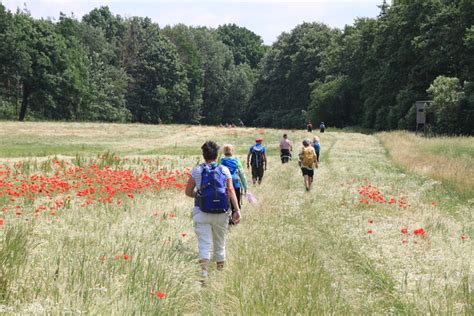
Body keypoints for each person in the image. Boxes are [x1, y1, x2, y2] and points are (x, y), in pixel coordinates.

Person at [185, 141, 241, 279]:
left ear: (204, 155)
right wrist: (237, 210)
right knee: (220, 243)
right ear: (217, 155)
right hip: (221, 213)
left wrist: (199, 195)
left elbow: (188, 192)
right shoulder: (224, 170)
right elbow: (230, 190)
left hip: (202, 212)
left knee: (204, 244)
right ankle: (220, 276)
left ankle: (204, 275)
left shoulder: (197, 170)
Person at [219, 144, 248, 224]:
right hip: (236, 184)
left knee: (226, 203)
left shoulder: (221, 161)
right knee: (236, 203)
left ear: (224, 152)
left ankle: (227, 220)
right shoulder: (236, 161)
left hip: (224, 185)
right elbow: (242, 174)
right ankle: (235, 220)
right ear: (232, 151)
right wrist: (245, 186)